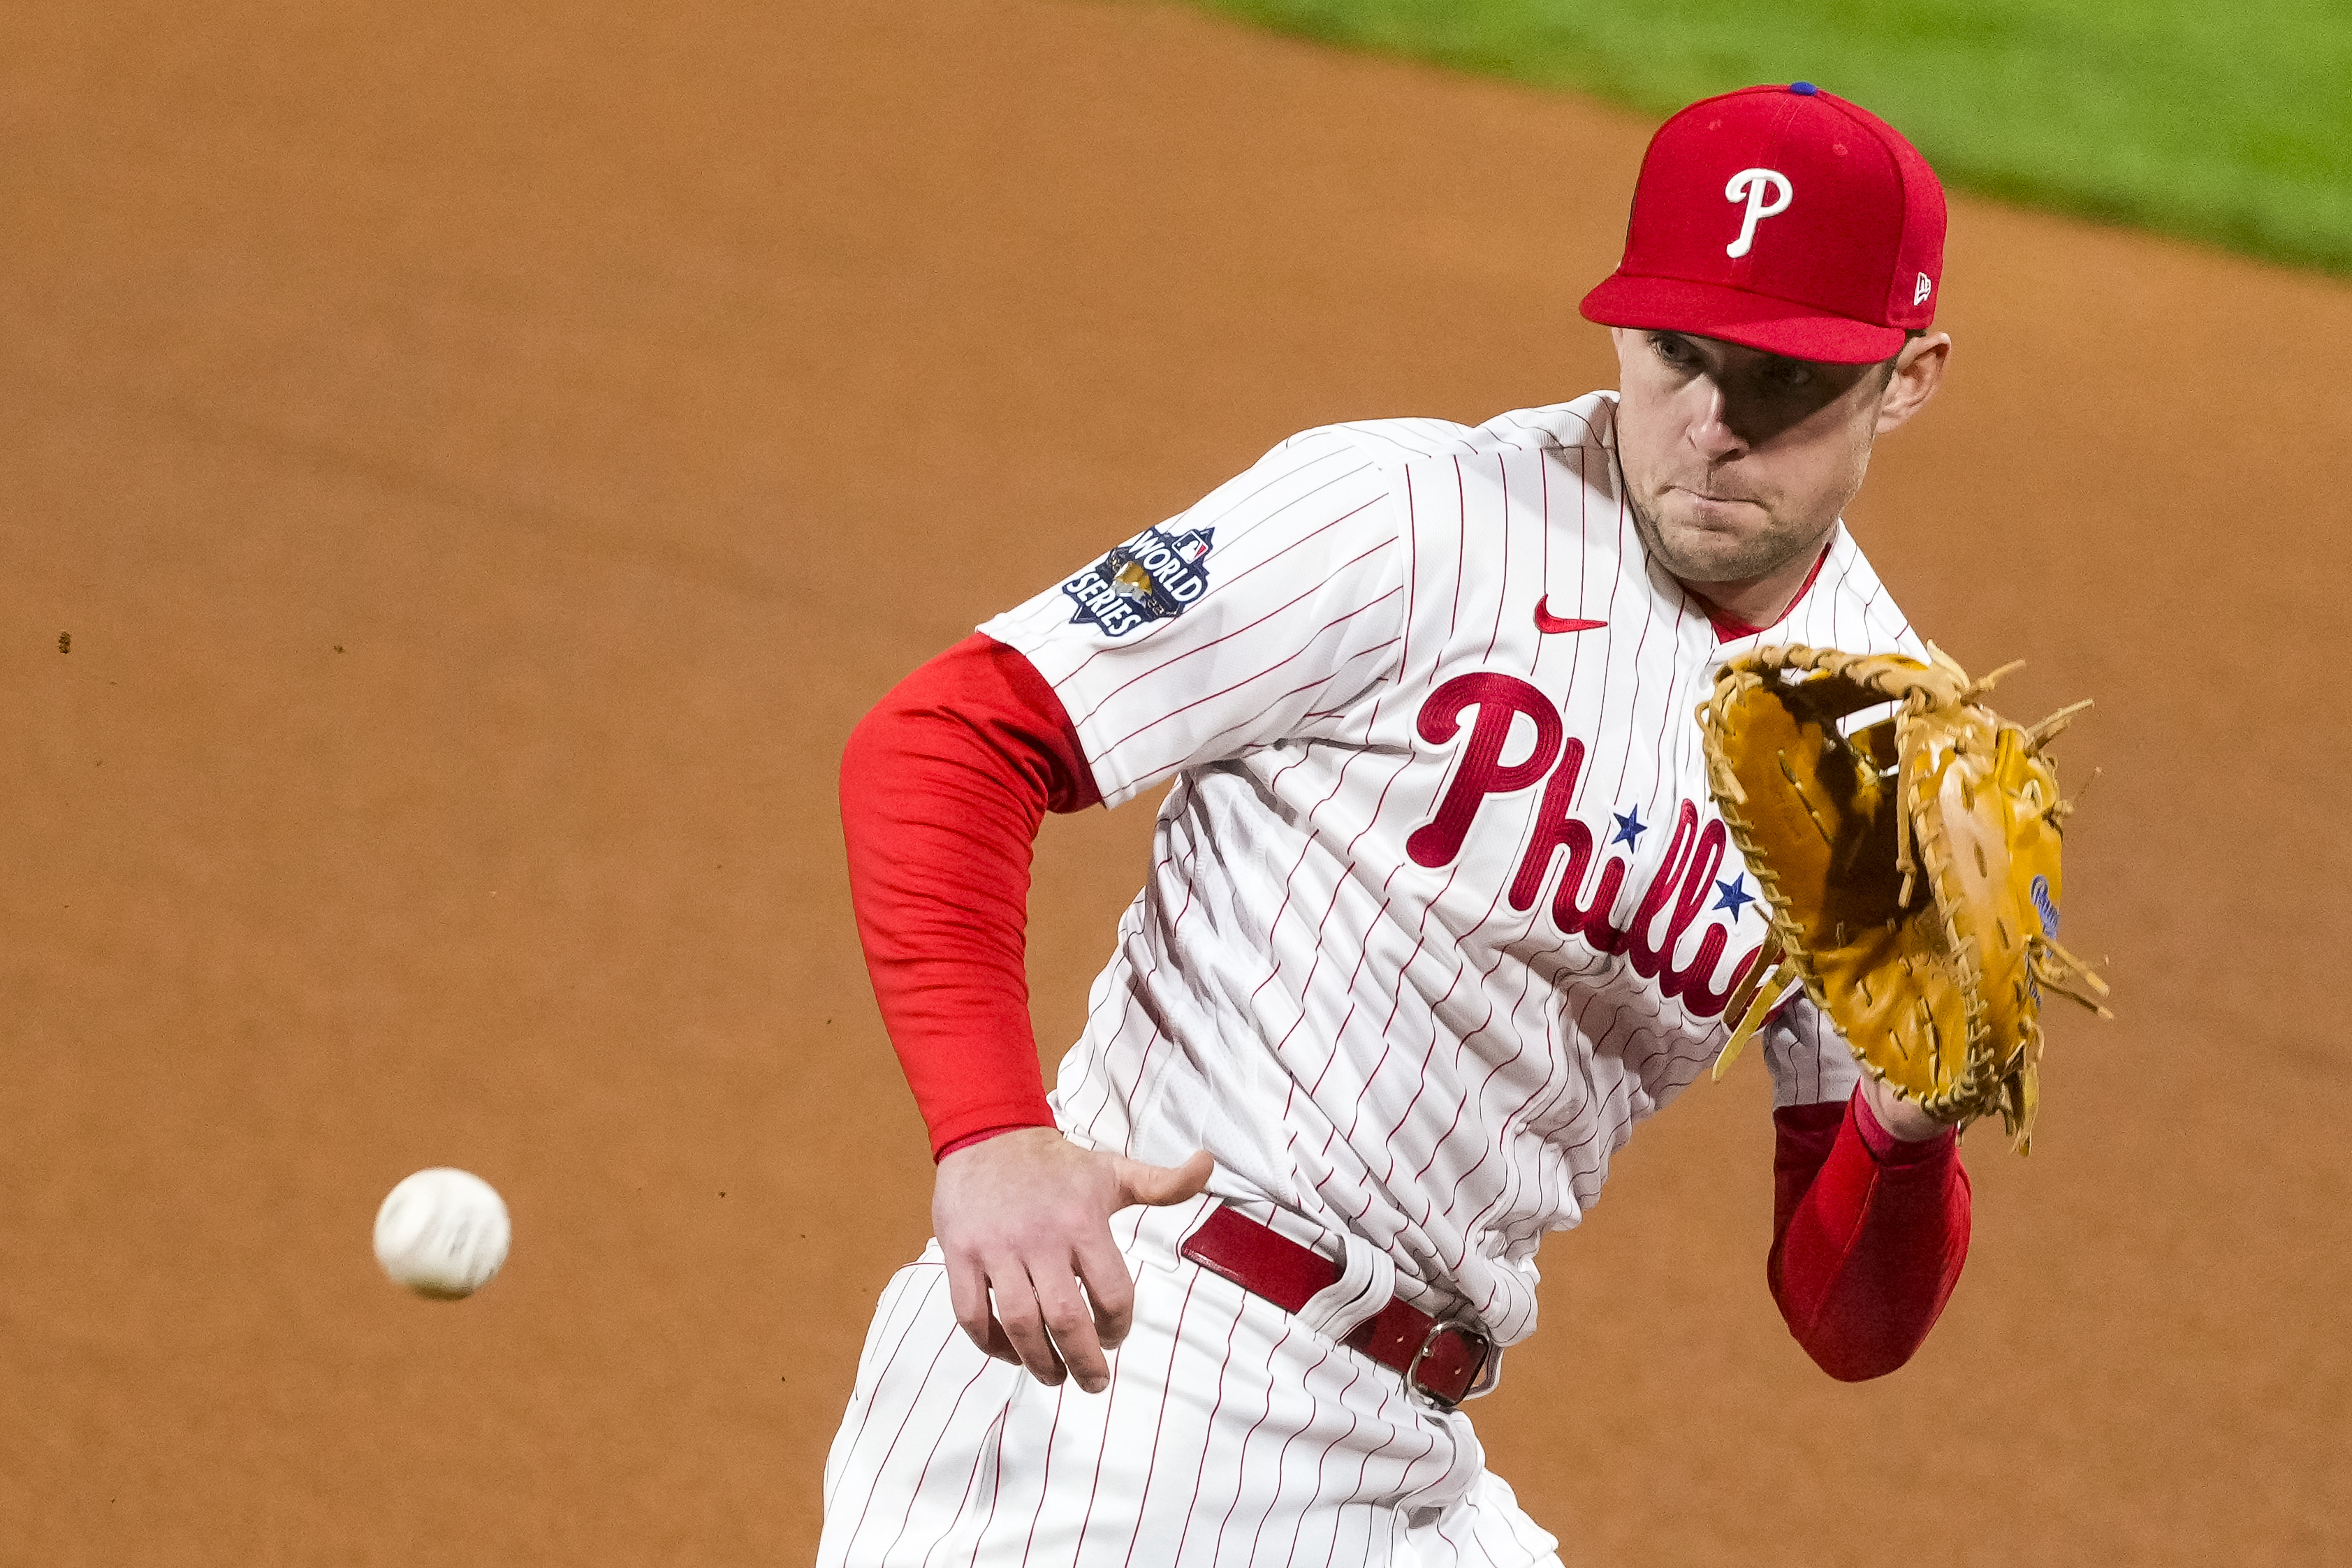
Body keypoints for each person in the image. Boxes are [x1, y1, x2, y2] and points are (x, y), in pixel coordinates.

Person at [819, 83, 1971, 1566]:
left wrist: (1910, 1118)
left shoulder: (1890, 757)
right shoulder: (1405, 519)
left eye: (1780, 381)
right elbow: (951, 734)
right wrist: (988, 1134)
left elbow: (1847, 1320)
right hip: (1127, 1378)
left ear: (1913, 373)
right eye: (1676, 353)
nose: (1709, 426)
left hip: (1399, 1457)